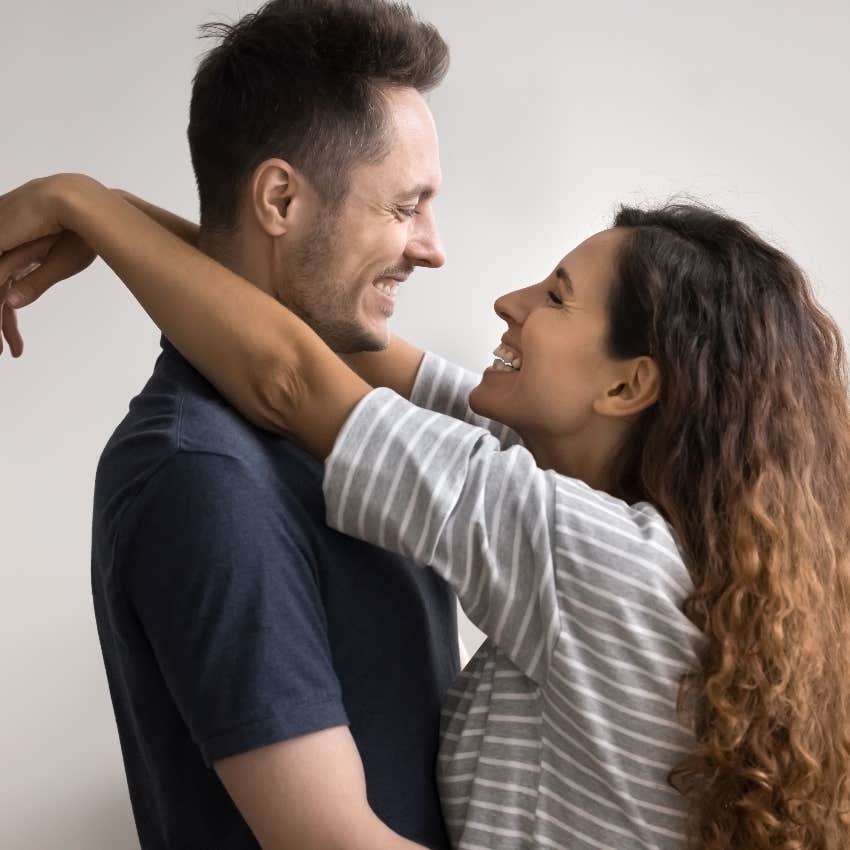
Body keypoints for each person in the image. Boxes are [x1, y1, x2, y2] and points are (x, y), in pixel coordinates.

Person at [4, 169, 850, 850]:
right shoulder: (624, 521)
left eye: (556, 297)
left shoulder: (596, 557)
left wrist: (71, 198)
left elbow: (295, 377)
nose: (508, 302)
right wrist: (115, 218)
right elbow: (335, 339)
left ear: (627, 385)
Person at [1, 2, 461, 849]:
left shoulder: (357, 424)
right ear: (280, 197)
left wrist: (98, 207)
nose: (433, 248)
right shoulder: (199, 473)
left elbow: (276, 343)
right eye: (406, 207)